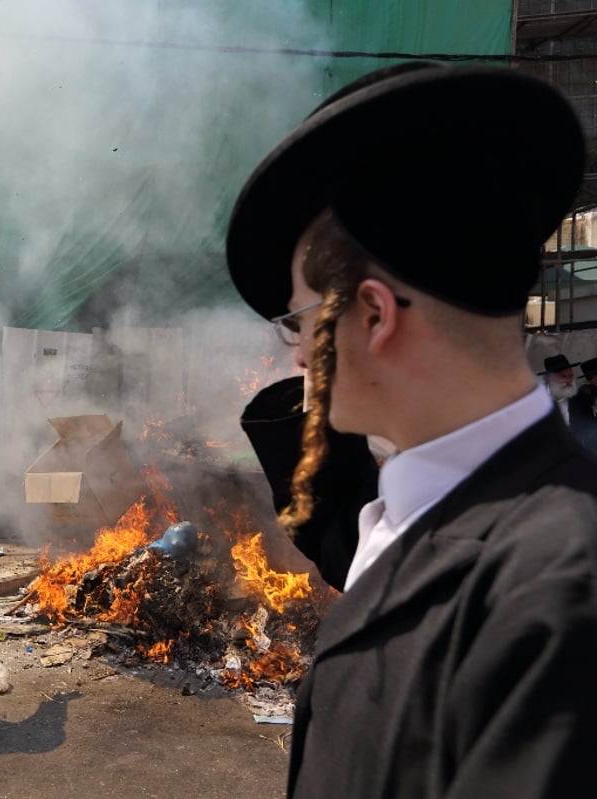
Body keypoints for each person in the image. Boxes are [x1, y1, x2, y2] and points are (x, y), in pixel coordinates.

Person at [225, 62, 597, 797]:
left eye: (297, 320)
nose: (295, 352)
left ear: (373, 314)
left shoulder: (559, 594)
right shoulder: (403, 516)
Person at [540, 353, 580, 423]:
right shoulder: (539, 401)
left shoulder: (580, 399)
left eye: (571, 376)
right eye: (563, 377)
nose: (569, 381)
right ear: (549, 379)